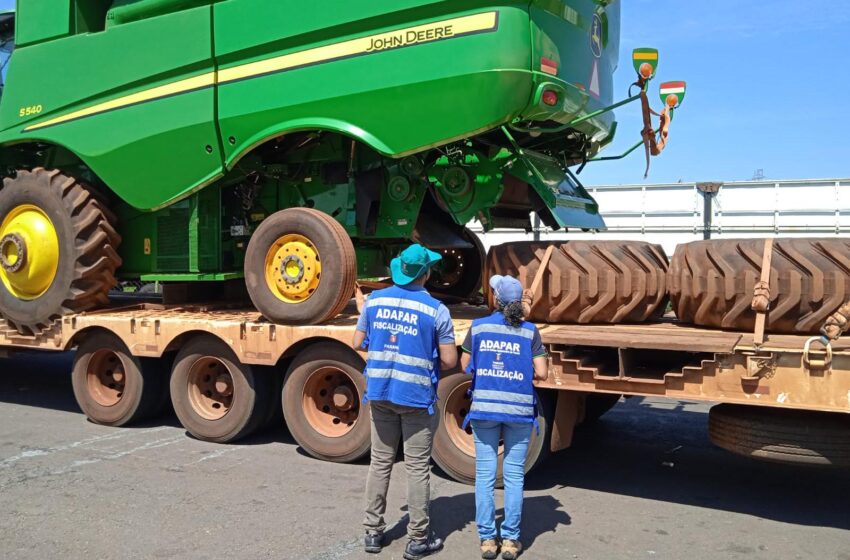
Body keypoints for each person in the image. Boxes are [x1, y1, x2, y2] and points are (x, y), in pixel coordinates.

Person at [353, 243, 458, 559]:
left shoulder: (374, 302)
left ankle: (373, 532)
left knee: (380, 462)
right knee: (416, 468)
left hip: (382, 392)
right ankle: (417, 539)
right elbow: (450, 360)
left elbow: (357, 342)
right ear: (426, 274)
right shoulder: (437, 311)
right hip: (416, 397)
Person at [460, 275, 548, 560]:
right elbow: (543, 372)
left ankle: (487, 540)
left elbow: (465, 366)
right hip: (519, 414)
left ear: (495, 300)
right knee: (513, 476)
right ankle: (510, 540)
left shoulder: (478, 327)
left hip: (484, 410)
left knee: (485, 476)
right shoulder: (530, 331)